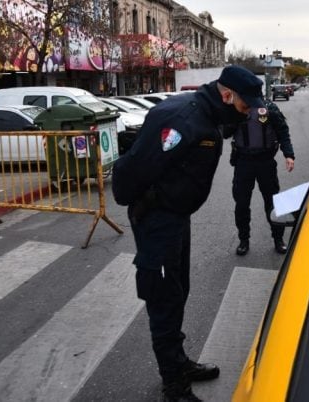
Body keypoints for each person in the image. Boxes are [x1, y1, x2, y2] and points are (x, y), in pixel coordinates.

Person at [111, 65, 263, 402]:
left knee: (178, 291)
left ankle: (178, 363)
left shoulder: (208, 115)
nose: (248, 111)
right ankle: (173, 385)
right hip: (157, 219)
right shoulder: (183, 120)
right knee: (163, 298)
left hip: (176, 216)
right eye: (244, 105)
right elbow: (136, 171)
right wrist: (148, 208)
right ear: (227, 95)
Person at [224, 98, 295, 256]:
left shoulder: (269, 108)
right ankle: (244, 240)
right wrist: (235, 116)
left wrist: (289, 155)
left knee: (273, 203)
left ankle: (278, 239)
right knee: (241, 204)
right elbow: (225, 133)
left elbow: (283, 132)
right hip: (243, 162)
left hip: (265, 162)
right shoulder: (236, 109)